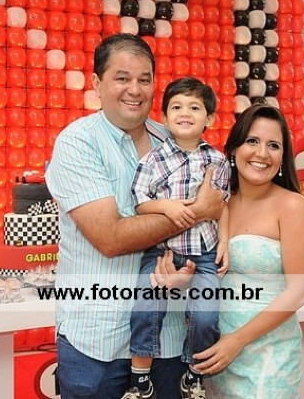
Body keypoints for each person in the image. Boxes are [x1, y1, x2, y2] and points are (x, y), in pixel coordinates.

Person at [45, 34, 224, 399]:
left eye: (144, 79)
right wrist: (197, 211)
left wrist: (195, 260)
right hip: (97, 340)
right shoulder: (78, 142)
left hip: (168, 337)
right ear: (97, 83)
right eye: (122, 78)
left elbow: (216, 207)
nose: (135, 90)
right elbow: (110, 238)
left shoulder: (172, 139)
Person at [191, 104, 304, 398]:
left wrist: (238, 340)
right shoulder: (218, 204)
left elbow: (300, 291)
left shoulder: (292, 206)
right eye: (252, 141)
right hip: (218, 353)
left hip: (267, 358)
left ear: (283, 157)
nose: (262, 153)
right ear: (234, 149)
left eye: (273, 145)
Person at [123, 77, 231, 399]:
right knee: (145, 307)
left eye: (194, 108)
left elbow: (222, 205)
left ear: (209, 118)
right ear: (165, 116)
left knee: (206, 316)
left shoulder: (217, 161)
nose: (185, 113)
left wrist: (224, 241)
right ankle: (140, 380)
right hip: (162, 252)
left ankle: (193, 375)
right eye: (177, 107)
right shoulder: (152, 160)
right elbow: (140, 202)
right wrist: (166, 207)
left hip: (205, 254)